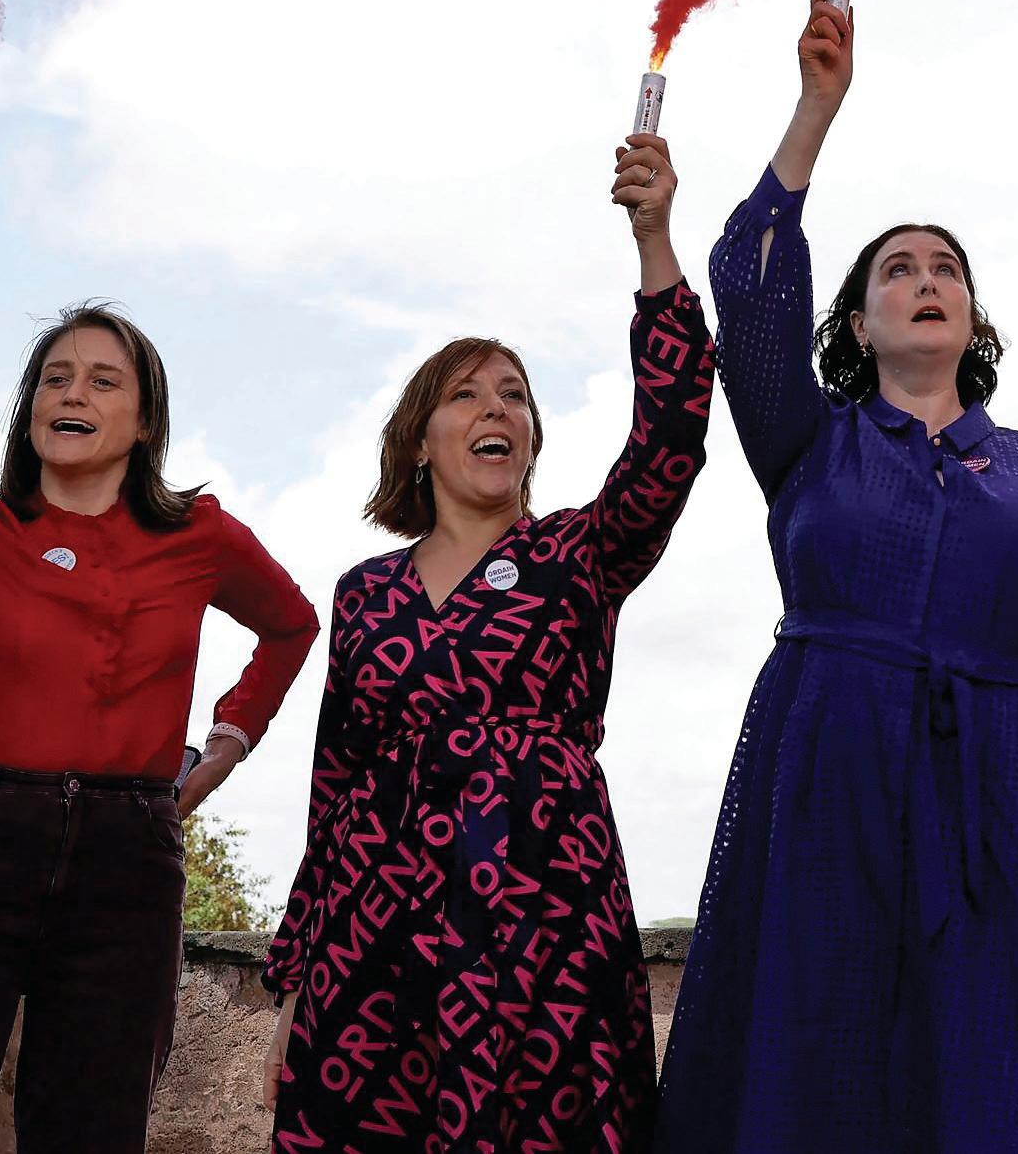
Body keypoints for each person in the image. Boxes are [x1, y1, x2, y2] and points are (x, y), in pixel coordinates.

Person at [654, 0, 1018, 1154]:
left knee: (1011, 1090)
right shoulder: (808, 443)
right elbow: (745, 282)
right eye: (895, 269)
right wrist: (815, 108)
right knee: (822, 1085)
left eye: (945, 266)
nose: (924, 277)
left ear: (972, 318)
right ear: (856, 325)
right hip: (824, 799)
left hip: (1005, 821)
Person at [0, 186, 317, 1154]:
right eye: (55, 378)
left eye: (102, 380)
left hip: (127, 862)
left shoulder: (201, 537)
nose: (72, 394)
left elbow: (291, 625)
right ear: (29, 414)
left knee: (91, 1131)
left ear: (144, 423)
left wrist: (223, 744)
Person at [260, 130, 718, 1151]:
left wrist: (653, 238)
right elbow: (334, 788)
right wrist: (296, 976)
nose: (495, 406)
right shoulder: (366, 594)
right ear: (421, 440)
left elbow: (671, 437)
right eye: (465, 393)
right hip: (375, 928)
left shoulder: (578, 554)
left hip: (547, 906)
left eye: (513, 393)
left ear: (532, 439)